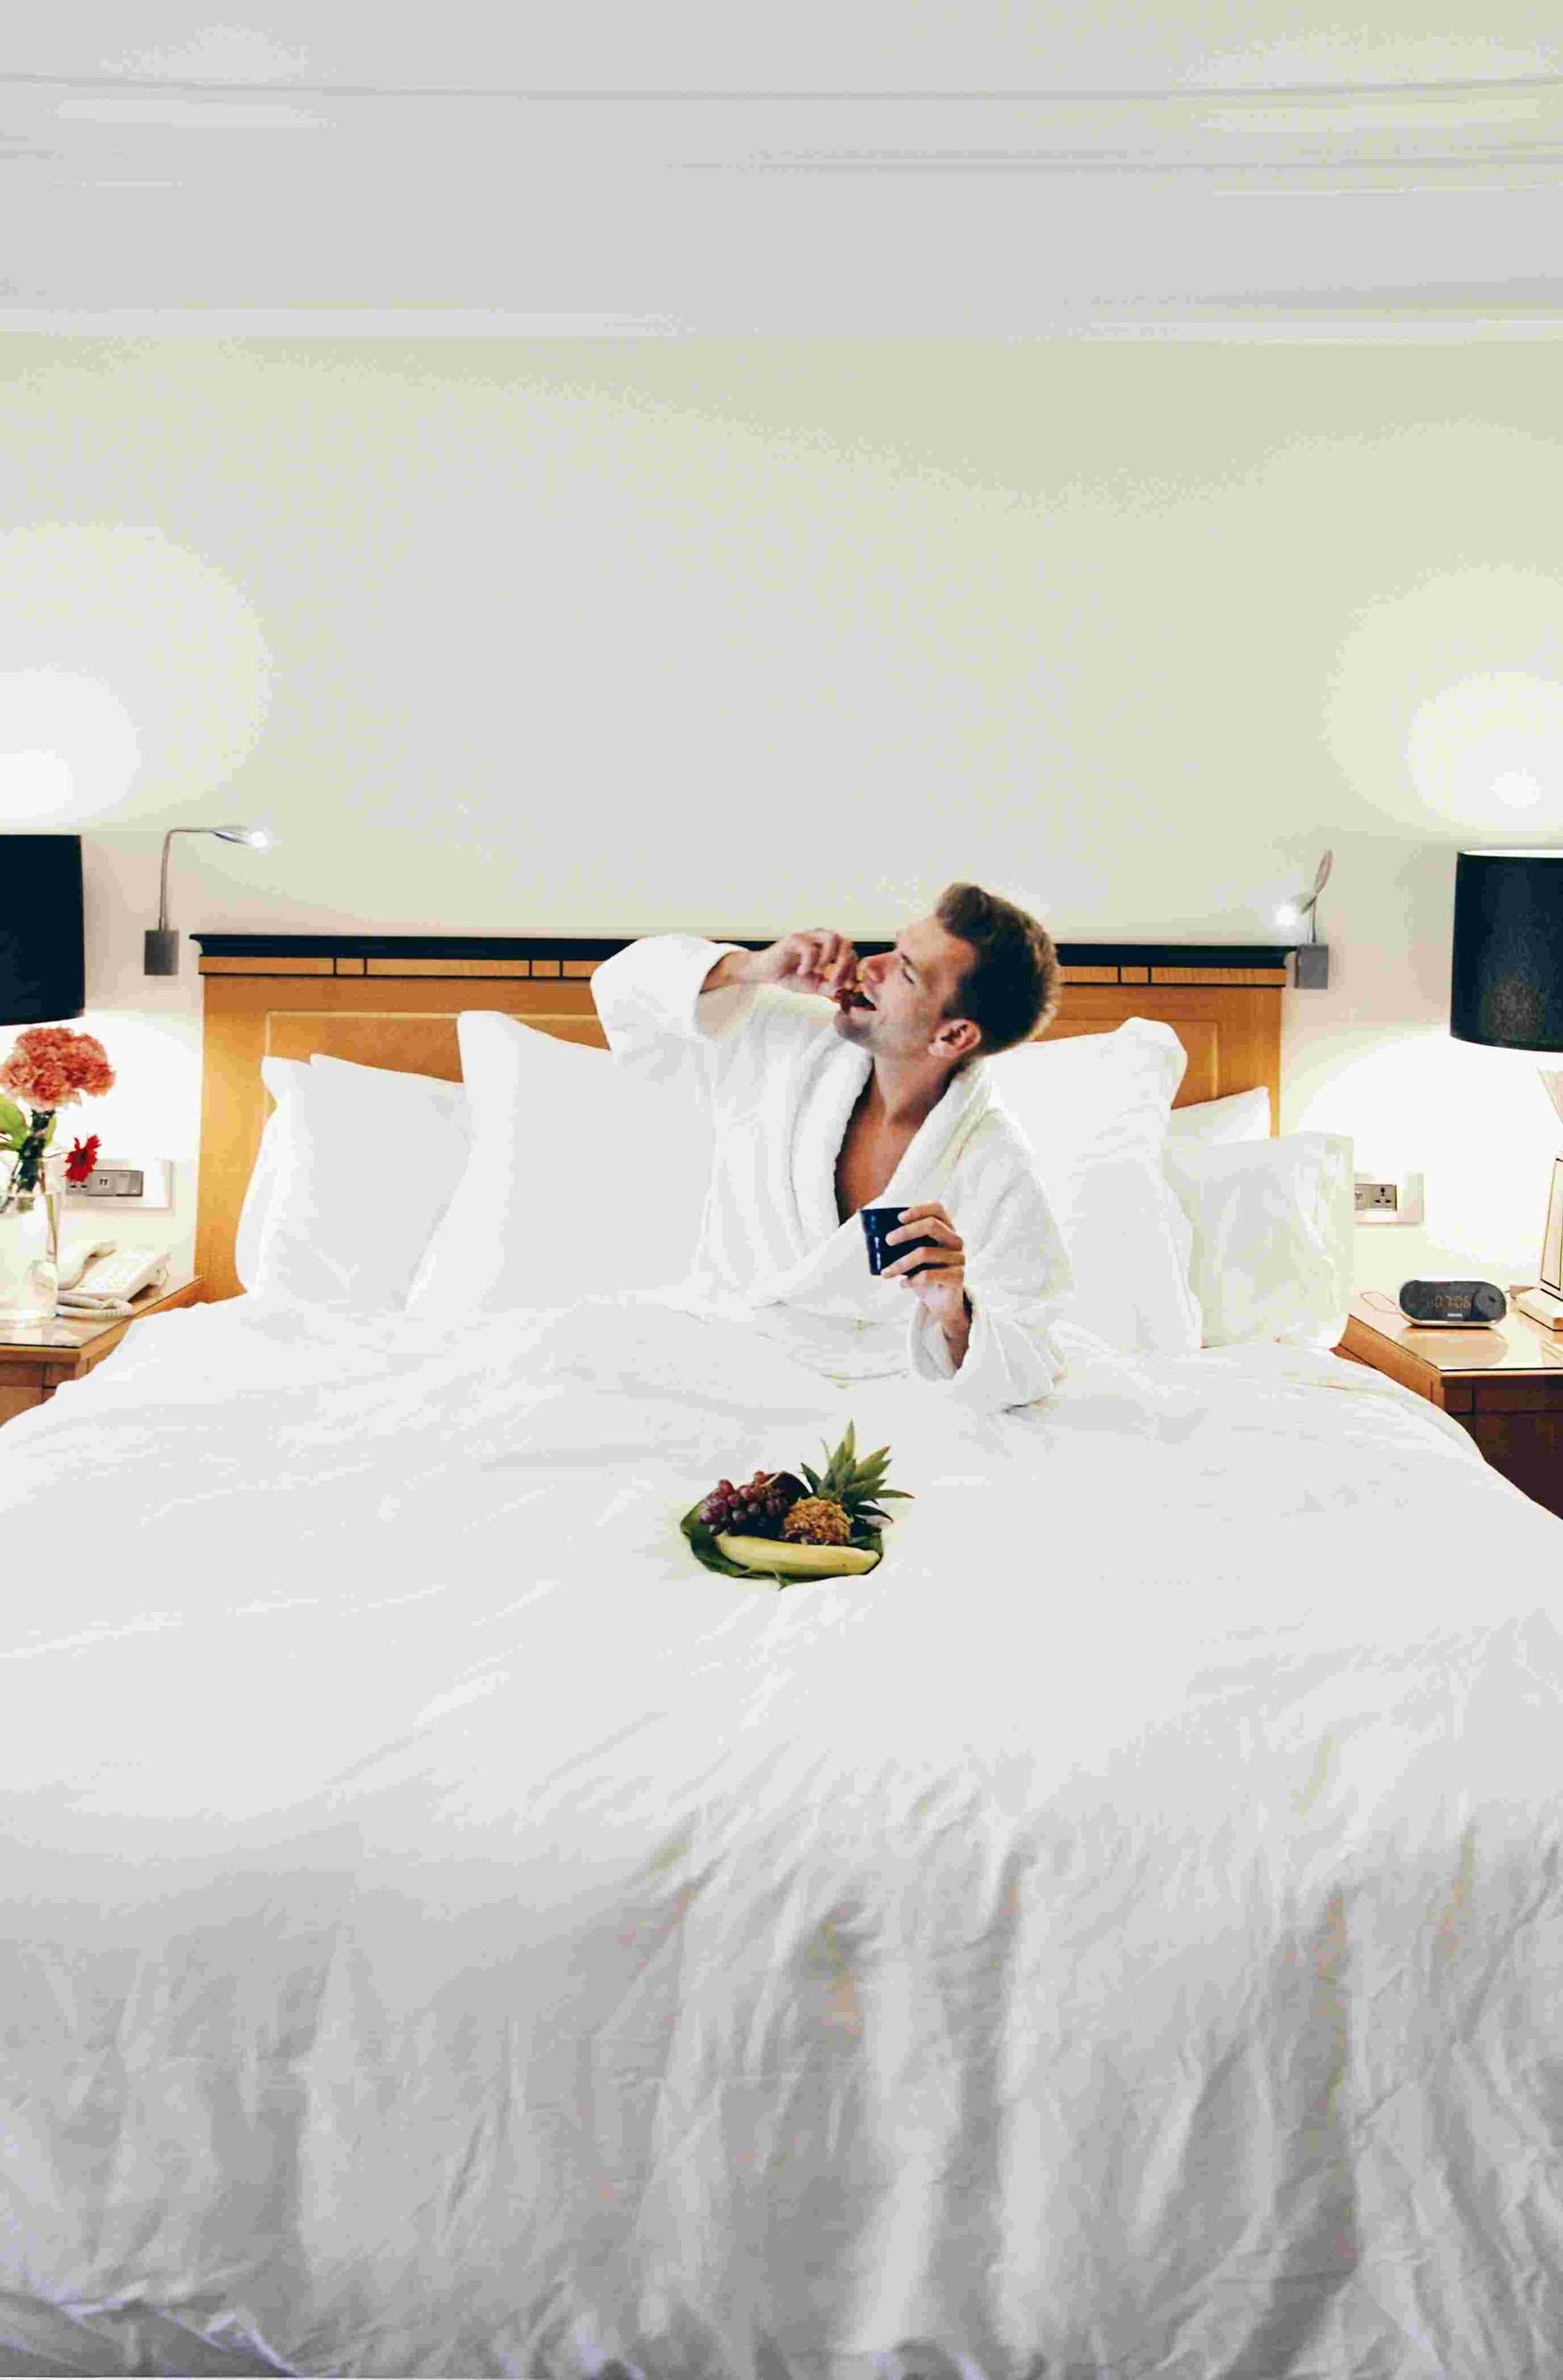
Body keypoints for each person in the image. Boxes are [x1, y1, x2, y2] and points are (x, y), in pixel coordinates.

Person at [590, 883, 1073, 1412]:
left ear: (953, 1037)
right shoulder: (785, 1040)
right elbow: (619, 989)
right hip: (720, 1360)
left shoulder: (992, 1160)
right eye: (893, 947)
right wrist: (753, 968)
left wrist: (955, 1314)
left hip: (884, 1399)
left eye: (906, 972)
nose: (871, 966)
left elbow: (1029, 1355)